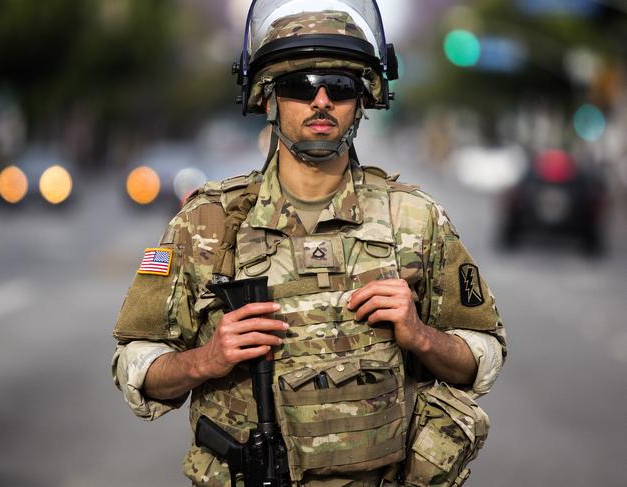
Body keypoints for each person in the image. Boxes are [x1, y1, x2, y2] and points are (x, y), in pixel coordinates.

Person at [111, 1, 507, 486]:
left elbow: (483, 354)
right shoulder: (206, 221)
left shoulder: (416, 218)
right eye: (299, 85)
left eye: (339, 86)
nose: (321, 100)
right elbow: (135, 366)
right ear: (268, 99)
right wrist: (207, 359)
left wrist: (421, 335)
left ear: (362, 101)